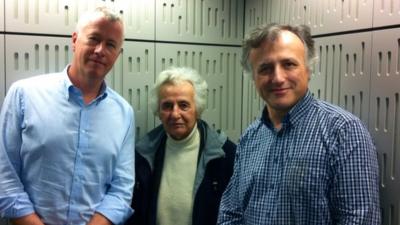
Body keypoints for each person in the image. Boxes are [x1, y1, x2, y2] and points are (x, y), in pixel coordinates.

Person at [217, 24, 380, 224]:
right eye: (265, 68)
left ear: (308, 69)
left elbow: (359, 220)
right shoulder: (250, 137)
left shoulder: (344, 132)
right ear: (253, 78)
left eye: (289, 64)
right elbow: (230, 213)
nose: (277, 78)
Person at [0, 6, 135, 225]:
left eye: (110, 44)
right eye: (94, 39)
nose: (100, 50)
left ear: (118, 55)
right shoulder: (24, 94)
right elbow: (4, 176)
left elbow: (121, 189)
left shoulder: (124, 113)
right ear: (74, 40)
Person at [125, 67, 236, 225]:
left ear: (197, 109)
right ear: (158, 111)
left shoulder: (225, 155)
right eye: (167, 106)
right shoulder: (144, 154)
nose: (175, 114)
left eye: (183, 105)